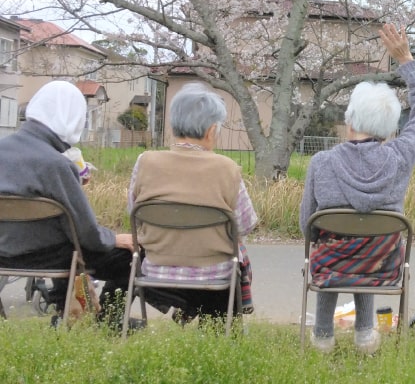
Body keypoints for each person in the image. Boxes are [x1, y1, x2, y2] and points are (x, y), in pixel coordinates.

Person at [299, 23, 415, 354]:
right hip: (383, 266)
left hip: (330, 266)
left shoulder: (322, 162)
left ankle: (322, 337)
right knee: (369, 242)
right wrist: (405, 59)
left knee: (334, 245)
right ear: (391, 127)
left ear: (349, 121)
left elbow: (308, 224)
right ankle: (365, 333)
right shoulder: (400, 155)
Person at [0, 81, 134, 322]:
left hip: (2, 251)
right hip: (51, 256)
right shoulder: (57, 165)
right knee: (127, 258)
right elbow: (87, 235)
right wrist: (116, 238)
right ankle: (107, 324)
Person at [127, 82, 258, 322]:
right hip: (214, 273)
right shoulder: (227, 169)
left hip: (156, 267)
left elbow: (133, 213)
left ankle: (188, 310)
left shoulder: (145, 162)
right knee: (236, 254)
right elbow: (246, 224)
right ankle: (219, 332)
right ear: (210, 131)